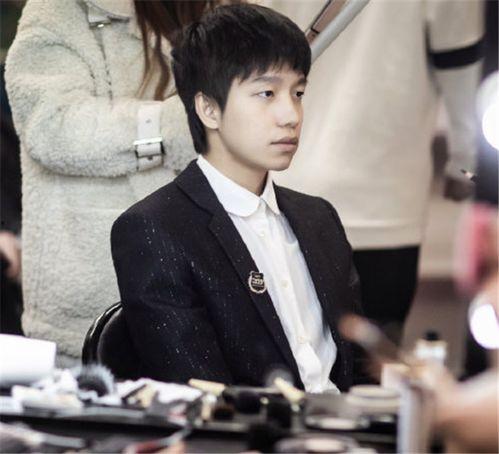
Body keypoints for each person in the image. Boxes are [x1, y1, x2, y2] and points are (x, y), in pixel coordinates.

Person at [111, 3, 362, 392]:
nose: (291, 115)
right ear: (209, 109)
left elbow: (359, 366)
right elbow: (201, 394)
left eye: (297, 92)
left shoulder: (318, 218)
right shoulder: (154, 229)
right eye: (266, 93)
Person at [5, 0, 225, 365]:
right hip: (93, 304)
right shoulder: (60, 10)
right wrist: (173, 124)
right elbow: (51, 127)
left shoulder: (215, 12)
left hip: (204, 292)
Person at [266, 0, 484, 343]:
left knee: (266, 367)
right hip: (379, 202)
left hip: (271, 190)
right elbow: (462, 68)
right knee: (372, 367)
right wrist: (464, 165)